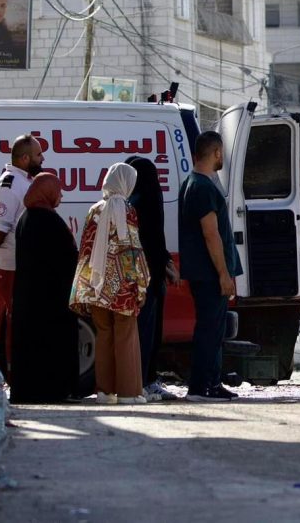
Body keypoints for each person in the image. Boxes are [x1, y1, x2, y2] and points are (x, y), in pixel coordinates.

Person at [70, 162, 150, 405]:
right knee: (126, 335)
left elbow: (85, 247)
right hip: (122, 285)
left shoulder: (94, 210)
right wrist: (141, 282)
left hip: (96, 284)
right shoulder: (127, 210)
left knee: (104, 335)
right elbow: (132, 248)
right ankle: (128, 393)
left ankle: (105, 392)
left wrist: (83, 284)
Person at [179, 131, 242, 402]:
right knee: (210, 330)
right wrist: (223, 274)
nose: (223, 157)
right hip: (209, 274)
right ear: (216, 153)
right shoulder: (203, 187)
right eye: (222, 153)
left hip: (204, 273)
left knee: (212, 329)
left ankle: (209, 383)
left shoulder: (191, 183)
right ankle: (203, 386)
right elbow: (210, 233)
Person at [10, 173, 79, 404]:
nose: (60, 194)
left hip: (30, 298)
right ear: (47, 192)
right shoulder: (48, 221)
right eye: (57, 190)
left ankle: (30, 390)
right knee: (50, 344)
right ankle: (53, 390)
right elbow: (65, 259)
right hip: (50, 299)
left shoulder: (27, 218)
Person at [0, 133, 44, 378]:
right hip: (12, 266)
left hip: (21, 265)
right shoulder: (10, 184)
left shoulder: (23, 180)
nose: (43, 158)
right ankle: (15, 371)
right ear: (24, 158)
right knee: (17, 321)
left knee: (25, 320)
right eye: (39, 154)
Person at [126, 156, 178, 402]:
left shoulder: (130, 202)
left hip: (141, 277)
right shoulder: (145, 202)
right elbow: (153, 238)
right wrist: (163, 264)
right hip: (148, 278)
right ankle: (145, 381)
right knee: (147, 332)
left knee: (141, 332)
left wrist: (166, 262)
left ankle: (140, 380)